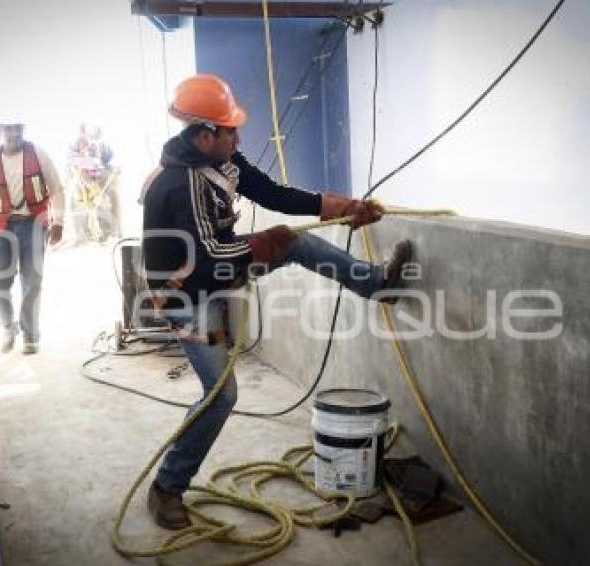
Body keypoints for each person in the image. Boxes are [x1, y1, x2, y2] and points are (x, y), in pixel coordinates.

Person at [140, 74, 413, 529]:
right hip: (187, 294)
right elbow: (207, 257)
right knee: (222, 394)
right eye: (231, 129)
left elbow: (273, 194)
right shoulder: (179, 183)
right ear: (205, 135)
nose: (238, 135)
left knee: (296, 244)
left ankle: (374, 283)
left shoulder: (223, 162)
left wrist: (342, 206)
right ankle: (166, 488)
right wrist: (265, 244)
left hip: (217, 269)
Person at [0, 120, 65, 355]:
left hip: (34, 224)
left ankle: (31, 336)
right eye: (8, 129)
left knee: (32, 282)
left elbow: (56, 189)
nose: (14, 134)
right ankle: (8, 328)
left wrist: (58, 223)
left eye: (18, 129)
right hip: (3, 227)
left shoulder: (38, 153)